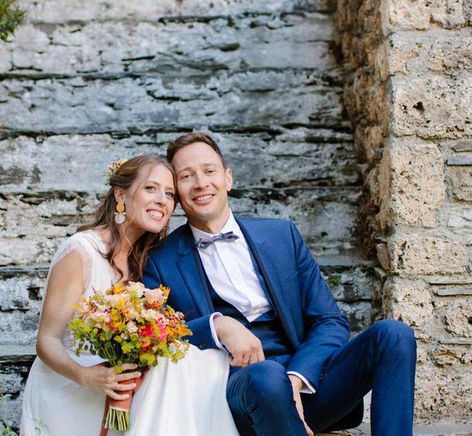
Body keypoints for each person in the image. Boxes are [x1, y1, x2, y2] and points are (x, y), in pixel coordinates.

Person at [144, 132, 417, 436]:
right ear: (178, 193)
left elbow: (329, 321)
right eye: (186, 176)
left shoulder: (282, 235)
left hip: (308, 385)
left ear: (228, 178)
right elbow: (161, 340)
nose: (200, 183)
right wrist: (216, 325)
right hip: (236, 396)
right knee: (265, 376)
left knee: (393, 335)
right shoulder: (159, 260)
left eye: (209, 171)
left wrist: (297, 378)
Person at [20, 154, 239, 436]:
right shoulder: (81, 252)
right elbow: (46, 341)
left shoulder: (147, 264)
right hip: (71, 386)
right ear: (121, 194)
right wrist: (87, 376)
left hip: (119, 390)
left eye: (170, 194)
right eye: (151, 188)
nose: (163, 200)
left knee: (204, 363)